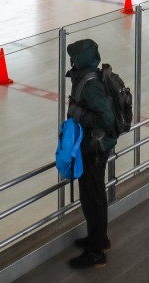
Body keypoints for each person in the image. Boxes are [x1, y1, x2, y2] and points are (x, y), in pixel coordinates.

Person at [65, 38, 116, 269]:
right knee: (94, 195)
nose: (72, 62)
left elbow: (105, 118)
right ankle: (99, 239)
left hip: (94, 148)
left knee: (92, 198)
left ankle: (96, 252)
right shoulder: (88, 78)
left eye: (74, 58)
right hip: (94, 146)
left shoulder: (90, 84)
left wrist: (80, 115)